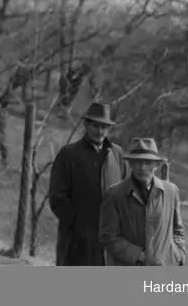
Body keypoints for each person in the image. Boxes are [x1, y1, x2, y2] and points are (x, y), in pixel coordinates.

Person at [48, 102, 129, 266]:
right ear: (86, 125)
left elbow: (127, 192)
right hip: (77, 238)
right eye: (96, 126)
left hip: (109, 238)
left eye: (104, 127)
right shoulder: (69, 154)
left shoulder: (116, 154)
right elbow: (57, 196)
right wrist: (75, 222)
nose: (100, 131)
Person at [99, 138, 186, 267]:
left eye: (148, 162)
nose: (142, 167)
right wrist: (139, 256)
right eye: (137, 162)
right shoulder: (115, 194)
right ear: (130, 164)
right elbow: (107, 237)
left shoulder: (170, 191)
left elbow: (177, 229)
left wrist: (178, 254)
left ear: (156, 165)